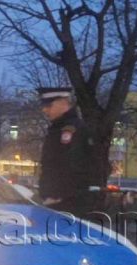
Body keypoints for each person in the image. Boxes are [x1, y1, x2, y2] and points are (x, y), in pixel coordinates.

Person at [37, 87, 96, 217]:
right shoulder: (57, 128)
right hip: (57, 200)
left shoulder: (71, 129)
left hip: (66, 202)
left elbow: (71, 164)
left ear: (63, 102)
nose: (44, 110)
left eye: (48, 105)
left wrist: (57, 195)